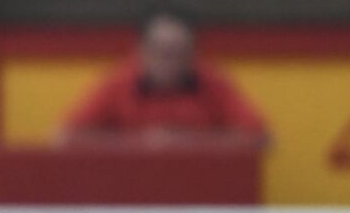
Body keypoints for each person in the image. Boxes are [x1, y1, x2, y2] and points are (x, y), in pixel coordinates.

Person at [61, 12, 270, 141]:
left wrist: (188, 144)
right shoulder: (119, 82)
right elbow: (68, 136)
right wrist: (137, 143)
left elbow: (260, 137)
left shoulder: (212, 82)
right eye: (160, 51)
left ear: (193, 53)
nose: (169, 60)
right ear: (140, 51)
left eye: (178, 52)